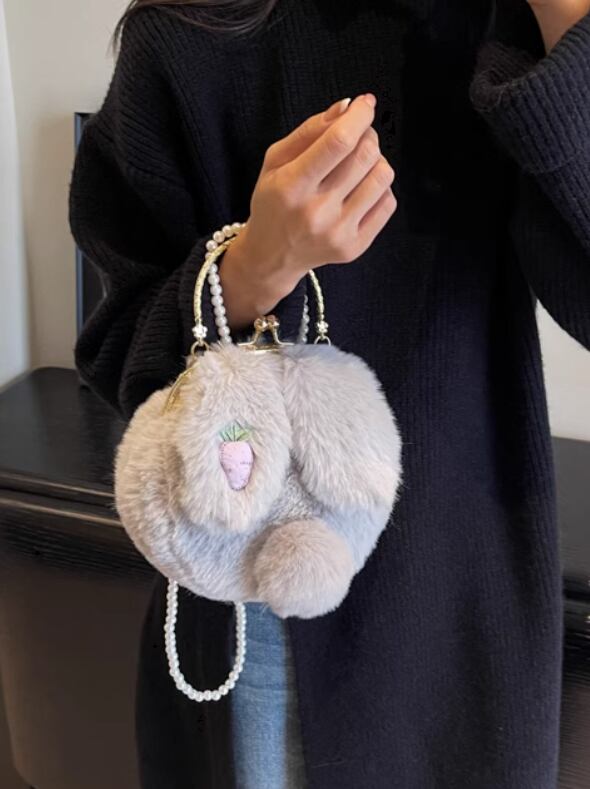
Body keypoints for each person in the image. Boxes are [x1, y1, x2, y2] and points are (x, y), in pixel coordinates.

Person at [68, 0, 590, 786]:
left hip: (466, 600)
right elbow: (119, 352)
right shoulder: (192, 32)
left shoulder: (502, 20)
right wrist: (254, 266)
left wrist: (566, 23)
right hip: (267, 606)